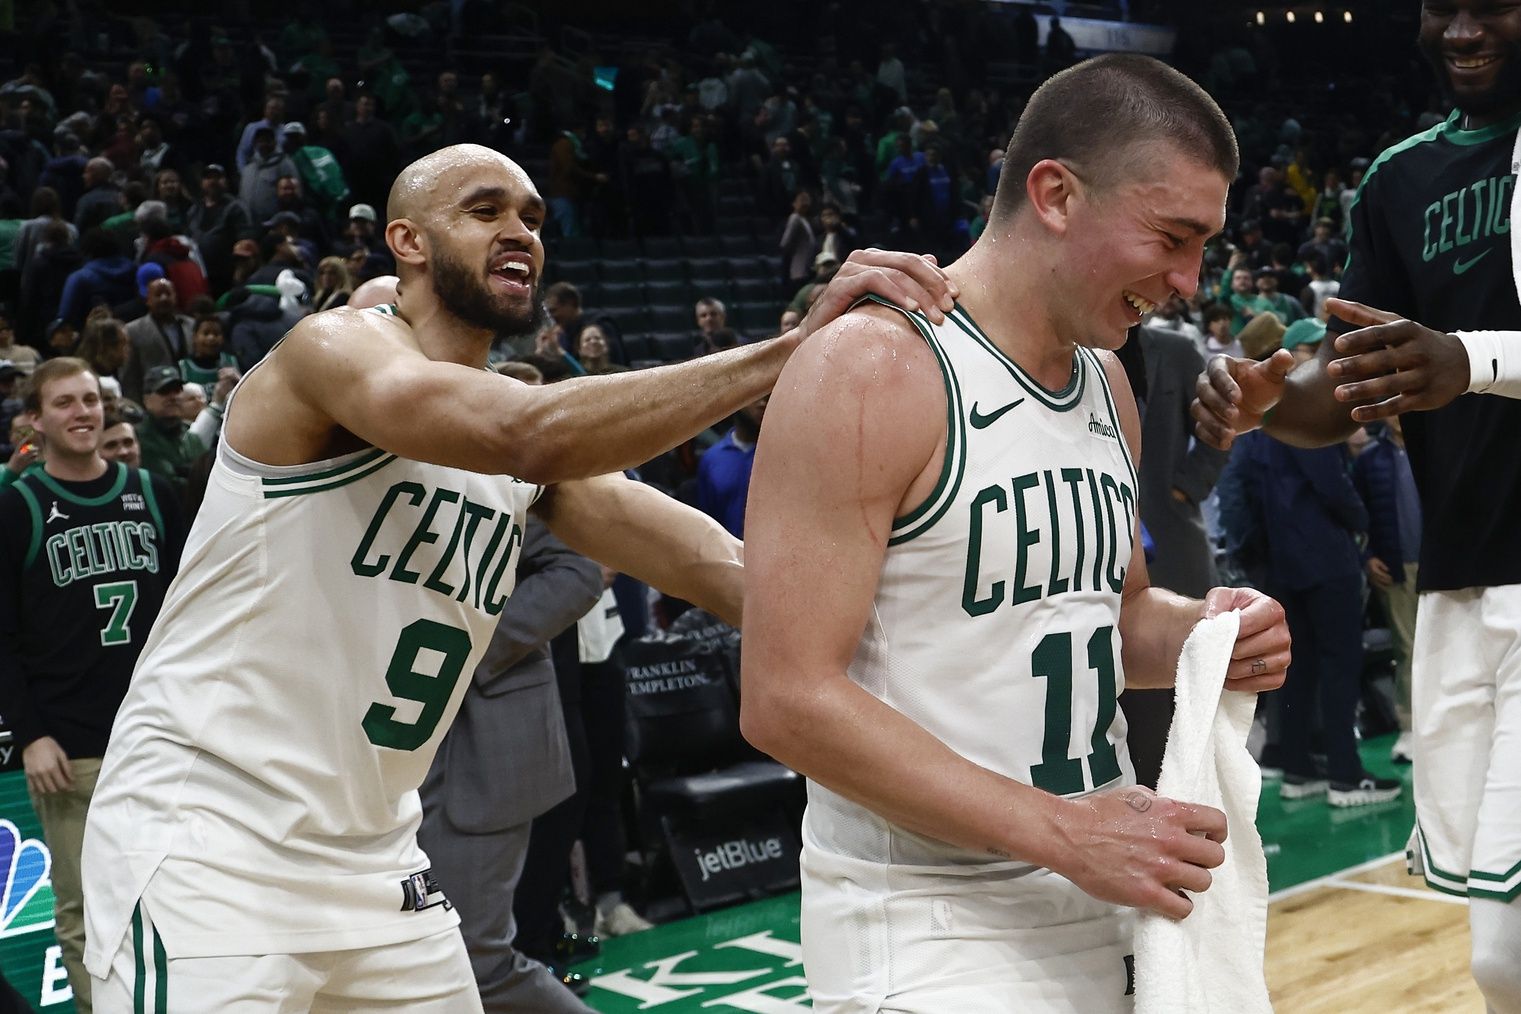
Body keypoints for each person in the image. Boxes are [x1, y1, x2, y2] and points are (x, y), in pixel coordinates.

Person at [79, 142, 954, 1011]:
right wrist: (791, 351)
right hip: (210, 843)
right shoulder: (333, 348)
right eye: (485, 209)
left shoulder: (518, 438)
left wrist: (939, 635)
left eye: (533, 217)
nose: (520, 231)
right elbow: (523, 432)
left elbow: (710, 565)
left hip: (375, 859)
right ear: (408, 241)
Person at [740, 55, 1289, 1012]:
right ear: (1055, 193)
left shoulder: (1106, 382)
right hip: (924, 918)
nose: (1190, 280)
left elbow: (1110, 621)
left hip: (1100, 890)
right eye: (1172, 237)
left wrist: (1205, 632)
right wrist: (1066, 834)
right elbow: (786, 698)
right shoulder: (873, 367)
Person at [1190, 4, 1521, 1006]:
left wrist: (1469, 359)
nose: (1461, 27)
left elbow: (1445, 364)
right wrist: (1268, 406)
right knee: (1496, 945)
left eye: (1490, 3)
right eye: (1440, 6)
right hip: (1465, 584)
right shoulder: (1397, 180)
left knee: (1508, 956)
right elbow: (1355, 385)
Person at [0, 358, 184, 1014]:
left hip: (160, 741)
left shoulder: (156, 492)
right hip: (69, 751)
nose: (82, 412)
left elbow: (192, 615)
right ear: (35, 420)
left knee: (179, 904)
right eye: (64, 403)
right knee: (87, 918)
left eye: (91, 400)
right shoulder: (16, 507)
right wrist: (32, 736)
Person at [417, 515, 603, 1012]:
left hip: (478, 739)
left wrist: (461, 648)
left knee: (475, 962)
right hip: (361, 746)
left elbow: (580, 571)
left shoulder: (497, 459)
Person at [1352, 414, 1420, 765]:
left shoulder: (1433, 451)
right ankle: (1409, 727)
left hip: (1443, 565)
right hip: (1396, 568)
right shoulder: (1370, 460)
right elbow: (1358, 516)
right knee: (1407, 648)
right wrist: (1367, 558)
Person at [696, 395, 766, 538]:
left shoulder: (780, 453)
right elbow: (705, 522)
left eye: (767, 397)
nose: (762, 403)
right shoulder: (712, 459)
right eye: (756, 396)